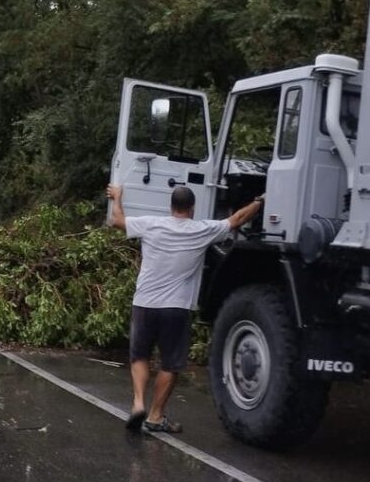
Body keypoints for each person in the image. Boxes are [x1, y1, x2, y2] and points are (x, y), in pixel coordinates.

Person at [106, 184, 264, 433]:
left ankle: (138, 403)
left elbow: (117, 220)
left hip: (144, 303)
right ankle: (156, 416)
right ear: (191, 209)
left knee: (139, 356)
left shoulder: (151, 224)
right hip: (175, 308)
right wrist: (259, 201)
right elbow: (236, 220)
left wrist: (117, 197)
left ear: (171, 207)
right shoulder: (200, 230)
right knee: (170, 364)